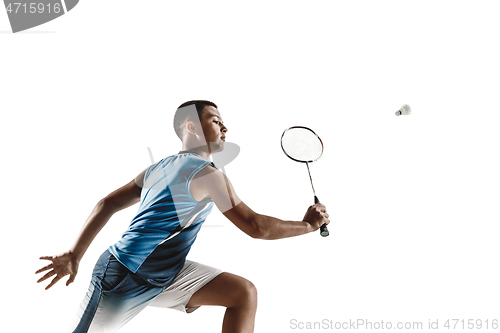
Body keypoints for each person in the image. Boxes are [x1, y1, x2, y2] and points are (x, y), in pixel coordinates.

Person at [35, 100, 330, 333]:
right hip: (123, 275)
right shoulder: (207, 174)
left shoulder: (158, 167)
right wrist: (307, 225)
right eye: (216, 120)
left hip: (166, 271)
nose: (225, 128)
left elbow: (106, 203)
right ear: (192, 126)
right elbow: (255, 226)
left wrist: (76, 253)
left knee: (242, 293)